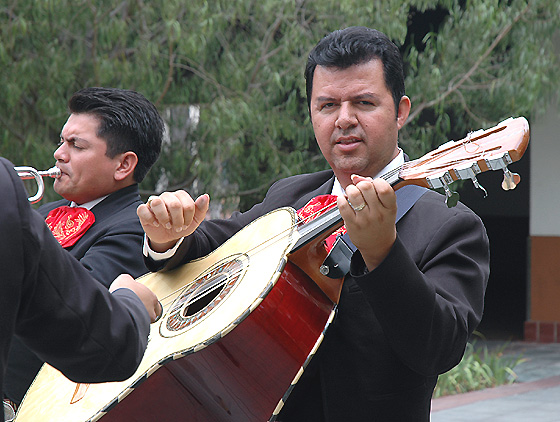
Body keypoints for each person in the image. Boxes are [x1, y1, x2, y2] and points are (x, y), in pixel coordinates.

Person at [137, 27, 489, 421]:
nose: (344, 120)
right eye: (327, 105)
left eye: (365, 102)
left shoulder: (451, 226)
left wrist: (382, 253)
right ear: (311, 113)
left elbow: (439, 348)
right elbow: (209, 243)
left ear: (401, 111)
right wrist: (167, 236)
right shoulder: (290, 196)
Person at [4, 87, 165, 407]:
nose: (59, 154)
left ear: (123, 165)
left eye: (76, 145)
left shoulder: (134, 226)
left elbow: (69, 308)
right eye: (62, 141)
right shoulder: (46, 211)